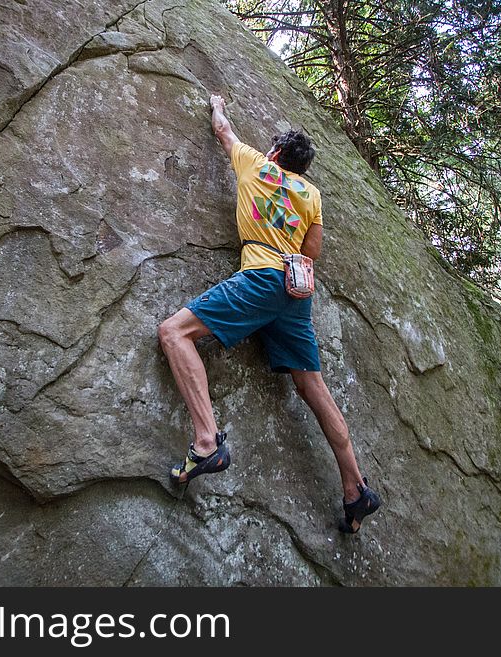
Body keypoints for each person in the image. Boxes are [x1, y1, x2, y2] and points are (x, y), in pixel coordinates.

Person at [158, 94, 382, 534]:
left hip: (260, 276)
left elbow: (222, 130)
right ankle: (355, 488)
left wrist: (218, 105)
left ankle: (207, 442)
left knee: (173, 333)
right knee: (313, 386)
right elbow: (312, 252)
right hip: (296, 292)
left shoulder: (254, 162)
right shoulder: (312, 194)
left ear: (276, 154)